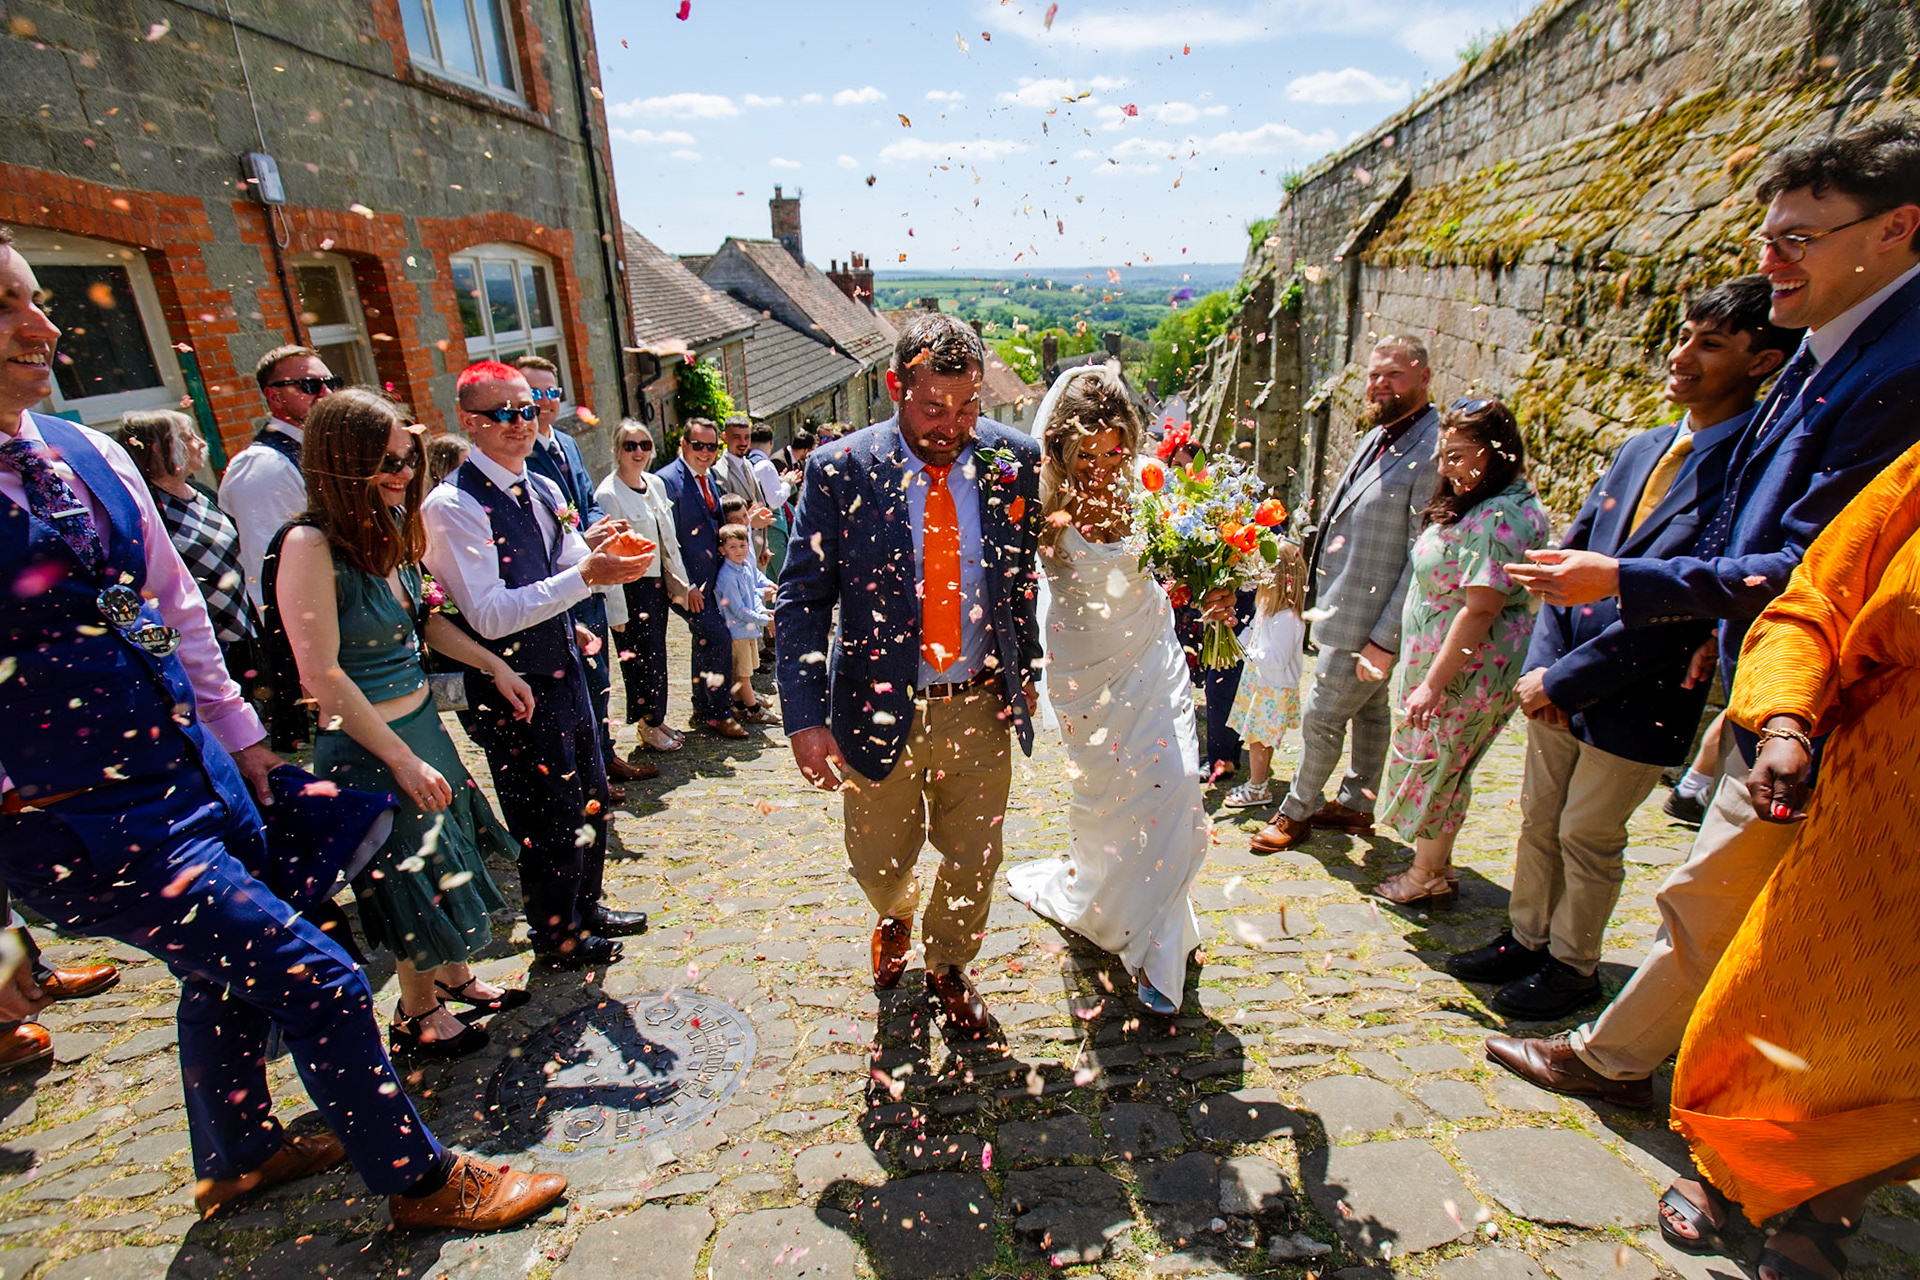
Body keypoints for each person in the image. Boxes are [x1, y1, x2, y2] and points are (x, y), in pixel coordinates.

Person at [0, 230, 562, 1229]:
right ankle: (423, 1181)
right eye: (6, 306)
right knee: (324, 973)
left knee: (222, 976)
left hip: (200, 770)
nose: (40, 326)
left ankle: (243, 1153)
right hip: (77, 809)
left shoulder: (79, 456)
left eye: (35, 299)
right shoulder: (308, 536)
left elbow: (147, 604)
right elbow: (320, 661)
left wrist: (230, 730)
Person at [1487, 119, 1920, 1112]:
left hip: (1831, 695)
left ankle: (1626, 1063)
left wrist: (1633, 587)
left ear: (1894, 228)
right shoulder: (1829, 344)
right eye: (1768, 237)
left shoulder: (1898, 367)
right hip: (1760, 669)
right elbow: (1743, 519)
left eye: (1798, 239)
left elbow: (1806, 564)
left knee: (1712, 896)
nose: (1770, 261)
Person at [1449, 276, 1797, 1019]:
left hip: (1635, 688)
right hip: (1559, 677)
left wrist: (1564, 682)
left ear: (1763, 362)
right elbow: (1561, 560)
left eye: (1710, 344)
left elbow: (1683, 607)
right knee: (1539, 818)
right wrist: (1541, 665)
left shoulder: (1749, 473)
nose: (1681, 356)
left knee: (1587, 835)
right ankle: (1526, 938)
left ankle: (1572, 967)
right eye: (1683, 336)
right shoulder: (1641, 447)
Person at [1663, 438, 1920, 1280]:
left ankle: (1836, 1202)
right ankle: (1725, 1162)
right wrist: (1784, 722)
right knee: (1781, 991)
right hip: (1877, 807)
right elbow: (1816, 600)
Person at [776, 312, 1042, 1037]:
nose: (952, 424)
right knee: (877, 859)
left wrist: (1033, 675)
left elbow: (1030, 584)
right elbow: (802, 598)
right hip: (872, 704)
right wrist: (803, 717)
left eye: (968, 406)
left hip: (979, 702)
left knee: (975, 857)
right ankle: (894, 912)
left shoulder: (1016, 460)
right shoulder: (838, 470)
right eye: (933, 407)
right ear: (896, 387)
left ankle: (950, 965)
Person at [277, 388, 531, 1059]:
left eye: (408, 460)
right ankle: (415, 1014)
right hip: (369, 749)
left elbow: (426, 622)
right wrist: (398, 759)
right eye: (385, 461)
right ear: (340, 461)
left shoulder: (388, 529)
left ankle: (455, 979)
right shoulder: (309, 545)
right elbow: (321, 675)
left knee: (449, 857)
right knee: (410, 874)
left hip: (421, 729)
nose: (400, 474)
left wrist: (492, 665)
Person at [1003, 363, 1225, 1014]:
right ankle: (1120, 905)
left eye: (1113, 449)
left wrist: (1208, 582)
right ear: (1061, 449)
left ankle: (1156, 949)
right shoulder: (1042, 500)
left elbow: (1181, 557)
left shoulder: (1149, 487)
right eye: (1086, 454)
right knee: (1113, 806)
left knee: (1178, 784)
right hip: (1084, 673)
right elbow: (1011, 585)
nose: (1102, 464)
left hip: (1152, 653)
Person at [421, 360, 654, 968]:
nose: (521, 423)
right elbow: (489, 614)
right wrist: (584, 576)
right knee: (546, 810)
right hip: (513, 685)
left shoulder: (544, 487)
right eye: (504, 414)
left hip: (566, 664)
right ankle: (556, 932)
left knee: (593, 793)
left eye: (528, 409)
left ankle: (587, 904)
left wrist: (598, 551)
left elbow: (565, 564)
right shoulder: (453, 505)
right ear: (471, 422)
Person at [1251, 337, 1443, 853]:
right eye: (1374, 375)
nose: (1380, 385)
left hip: (1370, 618)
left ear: (1423, 376)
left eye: (1393, 375)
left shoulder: (1433, 448)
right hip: (1347, 604)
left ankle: (1298, 811)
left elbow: (1420, 558)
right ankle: (1358, 802)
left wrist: (1386, 638)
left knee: (1322, 714)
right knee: (1370, 710)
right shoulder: (1382, 432)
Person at [1370, 398, 1551, 907]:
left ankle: (1425, 874)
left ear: (1498, 453)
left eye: (1457, 455)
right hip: (1446, 663)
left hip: (1465, 673)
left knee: (1440, 767)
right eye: (1443, 454)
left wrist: (1432, 682)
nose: (1444, 467)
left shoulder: (1500, 516)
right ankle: (1439, 865)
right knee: (1442, 764)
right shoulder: (1478, 501)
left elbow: (1480, 610)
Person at [515, 355, 651, 791]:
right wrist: (579, 535)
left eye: (551, 392)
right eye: (533, 394)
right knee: (574, 684)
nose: (544, 402)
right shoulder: (521, 452)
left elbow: (586, 500)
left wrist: (600, 525)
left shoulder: (568, 443)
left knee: (600, 677)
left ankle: (605, 755)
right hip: (557, 582)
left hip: (590, 581)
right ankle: (585, 774)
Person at [115, 409, 263, 696]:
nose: (199, 442)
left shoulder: (200, 492)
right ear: (156, 448)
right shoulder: (147, 509)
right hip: (200, 644)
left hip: (243, 630)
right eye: (186, 437)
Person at [219, 344, 338, 609]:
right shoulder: (264, 465)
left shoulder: (322, 450)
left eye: (332, 383)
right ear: (274, 396)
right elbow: (272, 572)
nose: (326, 393)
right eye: (309, 385)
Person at [596, 419, 689, 755]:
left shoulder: (654, 484)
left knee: (657, 655)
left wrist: (679, 582)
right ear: (617, 450)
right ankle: (647, 725)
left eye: (644, 445)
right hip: (630, 587)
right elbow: (609, 555)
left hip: (654, 585)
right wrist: (616, 609)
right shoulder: (608, 494)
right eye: (630, 446)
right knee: (639, 660)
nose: (638, 452)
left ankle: (657, 717)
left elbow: (668, 541)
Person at [656, 418, 748, 739]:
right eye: (698, 445)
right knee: (719, 638)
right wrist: (686, 587)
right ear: (684, 445)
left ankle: (702, 703)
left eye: (712, 446)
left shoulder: (709, 480)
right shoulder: (667, 481)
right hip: (688, 584)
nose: (706, 452)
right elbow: (666, 540)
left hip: (713, 580)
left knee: (705, 640)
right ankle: (719, 714)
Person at [1222, 542, 1310, 810]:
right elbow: (1253, 632)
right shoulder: (1267, 607)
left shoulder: (1287, 618)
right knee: (1256, 738)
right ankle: (1255, 783)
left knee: (1260, 739)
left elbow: (1277, 660)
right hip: (1261, 683)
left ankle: (1258, 788)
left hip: (1273, 687)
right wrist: (1237, 633)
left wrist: (1246, 653)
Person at [714, 523, 779, 725]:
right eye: (732, 547)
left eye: (742, 545)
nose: (738, 551)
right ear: (722, 550)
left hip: (747, 629)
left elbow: (752, 596)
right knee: (744, 675)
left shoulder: (745, 569)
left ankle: (739, 705)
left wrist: (763, 611)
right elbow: (738, 610)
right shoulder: (728, 576)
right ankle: (754, 710)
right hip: (737, 632)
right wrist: (765, 620)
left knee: (744, 670)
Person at [719, 413, 777, 567]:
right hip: (739, 558)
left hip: (757, 553)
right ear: (725, 437)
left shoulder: (748, 464)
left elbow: (760, 504)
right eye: (737, 437)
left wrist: (764, 545)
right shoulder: (719, 472)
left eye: (747, 437)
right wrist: (751, 523)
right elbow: (726, 522)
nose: (743, 442)